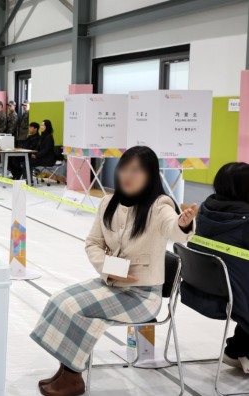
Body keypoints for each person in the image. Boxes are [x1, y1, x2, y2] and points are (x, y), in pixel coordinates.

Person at [30, 146, 196, 396]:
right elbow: (93, 243)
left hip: (142, 296)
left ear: (150, 175)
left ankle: (73, 377)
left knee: (75, 309)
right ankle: (67, 371)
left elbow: (173, 229)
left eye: (137, 170)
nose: (128, 175)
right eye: (124, 168)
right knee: (59, 299)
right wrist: (109, 268)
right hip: (111, 284)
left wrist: (184, 224)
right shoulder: (109, 201)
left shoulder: (160, 204)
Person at [184, 162, 249, 369]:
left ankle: (237, 350)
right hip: (235, 296)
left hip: (206, 289)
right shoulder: (244, 221)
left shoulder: (206, 210)